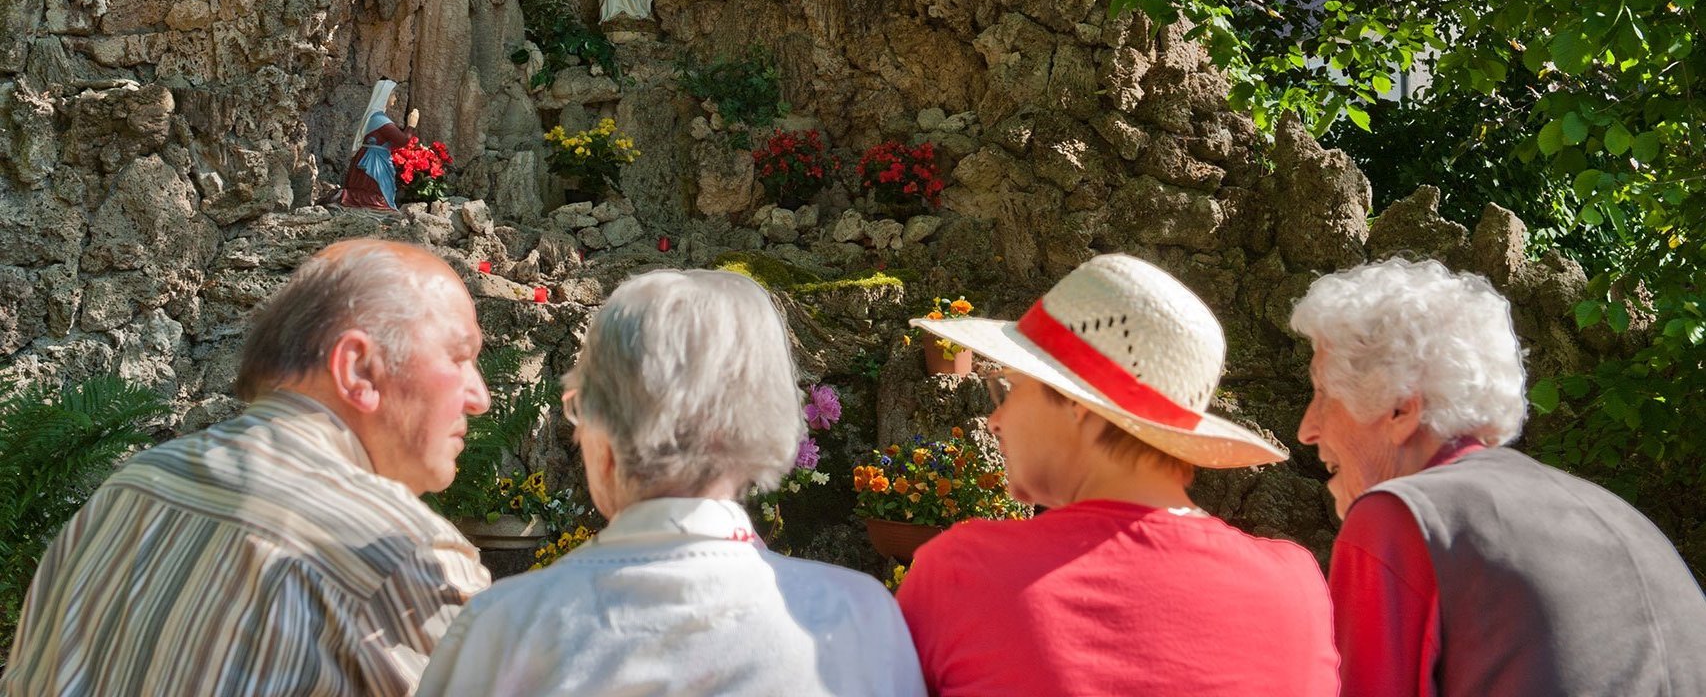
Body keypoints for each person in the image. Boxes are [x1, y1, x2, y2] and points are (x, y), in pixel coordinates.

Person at [3, 239, 492, 697]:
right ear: (358, 370)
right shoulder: (400, 555)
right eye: (461, 357)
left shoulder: (128, 492)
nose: (480, 399)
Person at [417, 268, 925, 697]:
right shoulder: (859, 619)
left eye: (577, 407)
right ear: (765, 418)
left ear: (602, 430)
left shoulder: (501, 629)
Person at [896, 253, 1338, 697]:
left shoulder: (967, 573)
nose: (996, 419)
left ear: (1076, 404)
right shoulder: (1295, 587)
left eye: (1009, 387)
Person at [1292, 256, 1706, 697]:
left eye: (1323, 393)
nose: (1306, 428)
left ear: (1401, 408)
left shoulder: (1400, 516)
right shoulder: (1626, 520)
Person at [335, 77, 409, 209]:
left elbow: (392, 143)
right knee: (375, 197)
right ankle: (347, 198)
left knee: (374, 194)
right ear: (385, 96)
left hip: (373, 156)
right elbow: (402, 140)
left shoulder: (375, 117)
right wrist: (411, 125)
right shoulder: (379, 119)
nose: (395, 99)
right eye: (393, 95)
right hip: (373, 161)